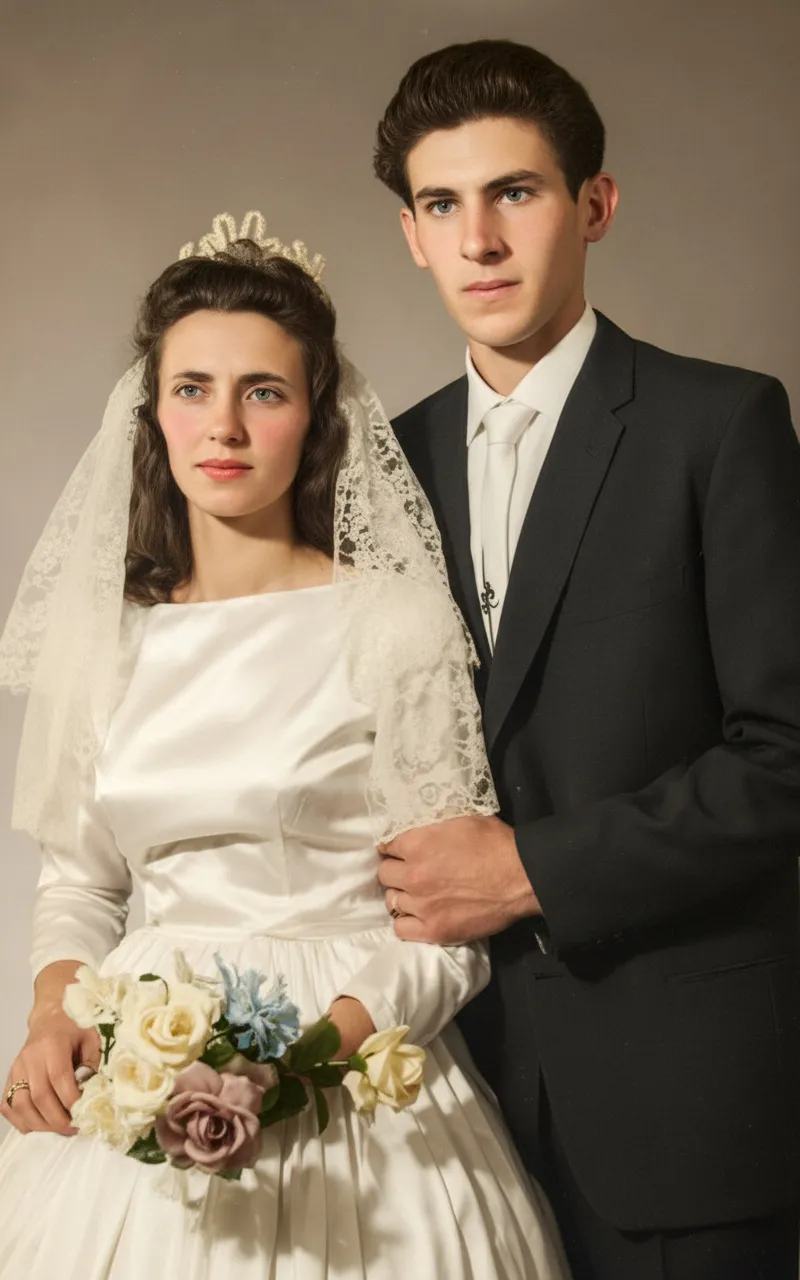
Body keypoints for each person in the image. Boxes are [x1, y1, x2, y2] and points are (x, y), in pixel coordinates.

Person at [0, 213, 570, 1279]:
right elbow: (79, 881)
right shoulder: (112, 639)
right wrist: (48, 1012)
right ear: (151, 415)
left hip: (356, 1073)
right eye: (191, 388)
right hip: (139, 1061)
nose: (223, 424)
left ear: (314, 418)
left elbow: (448, 920)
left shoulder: (390, 621)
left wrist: (303, 1061)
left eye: (262, 391)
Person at [374, 38, 800, 1280]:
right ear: (409, 232)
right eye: (443, 205)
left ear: (593, 205)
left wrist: (531, 869)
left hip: (680, 1102)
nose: (480, 240)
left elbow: (785, 760)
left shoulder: (717, 424)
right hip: (445, 1106)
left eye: (515, 192)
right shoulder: (381, 467)